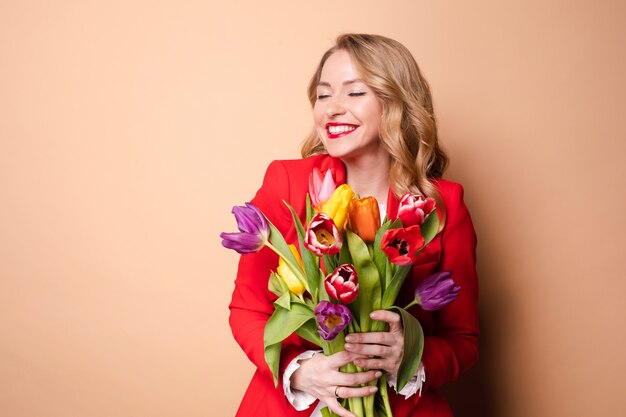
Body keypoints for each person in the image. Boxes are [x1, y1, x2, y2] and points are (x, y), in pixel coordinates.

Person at [228, 33, 479, 417]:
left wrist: (411, 356)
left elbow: (463, 340)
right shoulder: (288, 183)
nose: (332, 109)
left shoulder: (443, 206)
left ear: (395, 103)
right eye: (324, 94)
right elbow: (246, 310)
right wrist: (300, 373)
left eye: (354, 93)